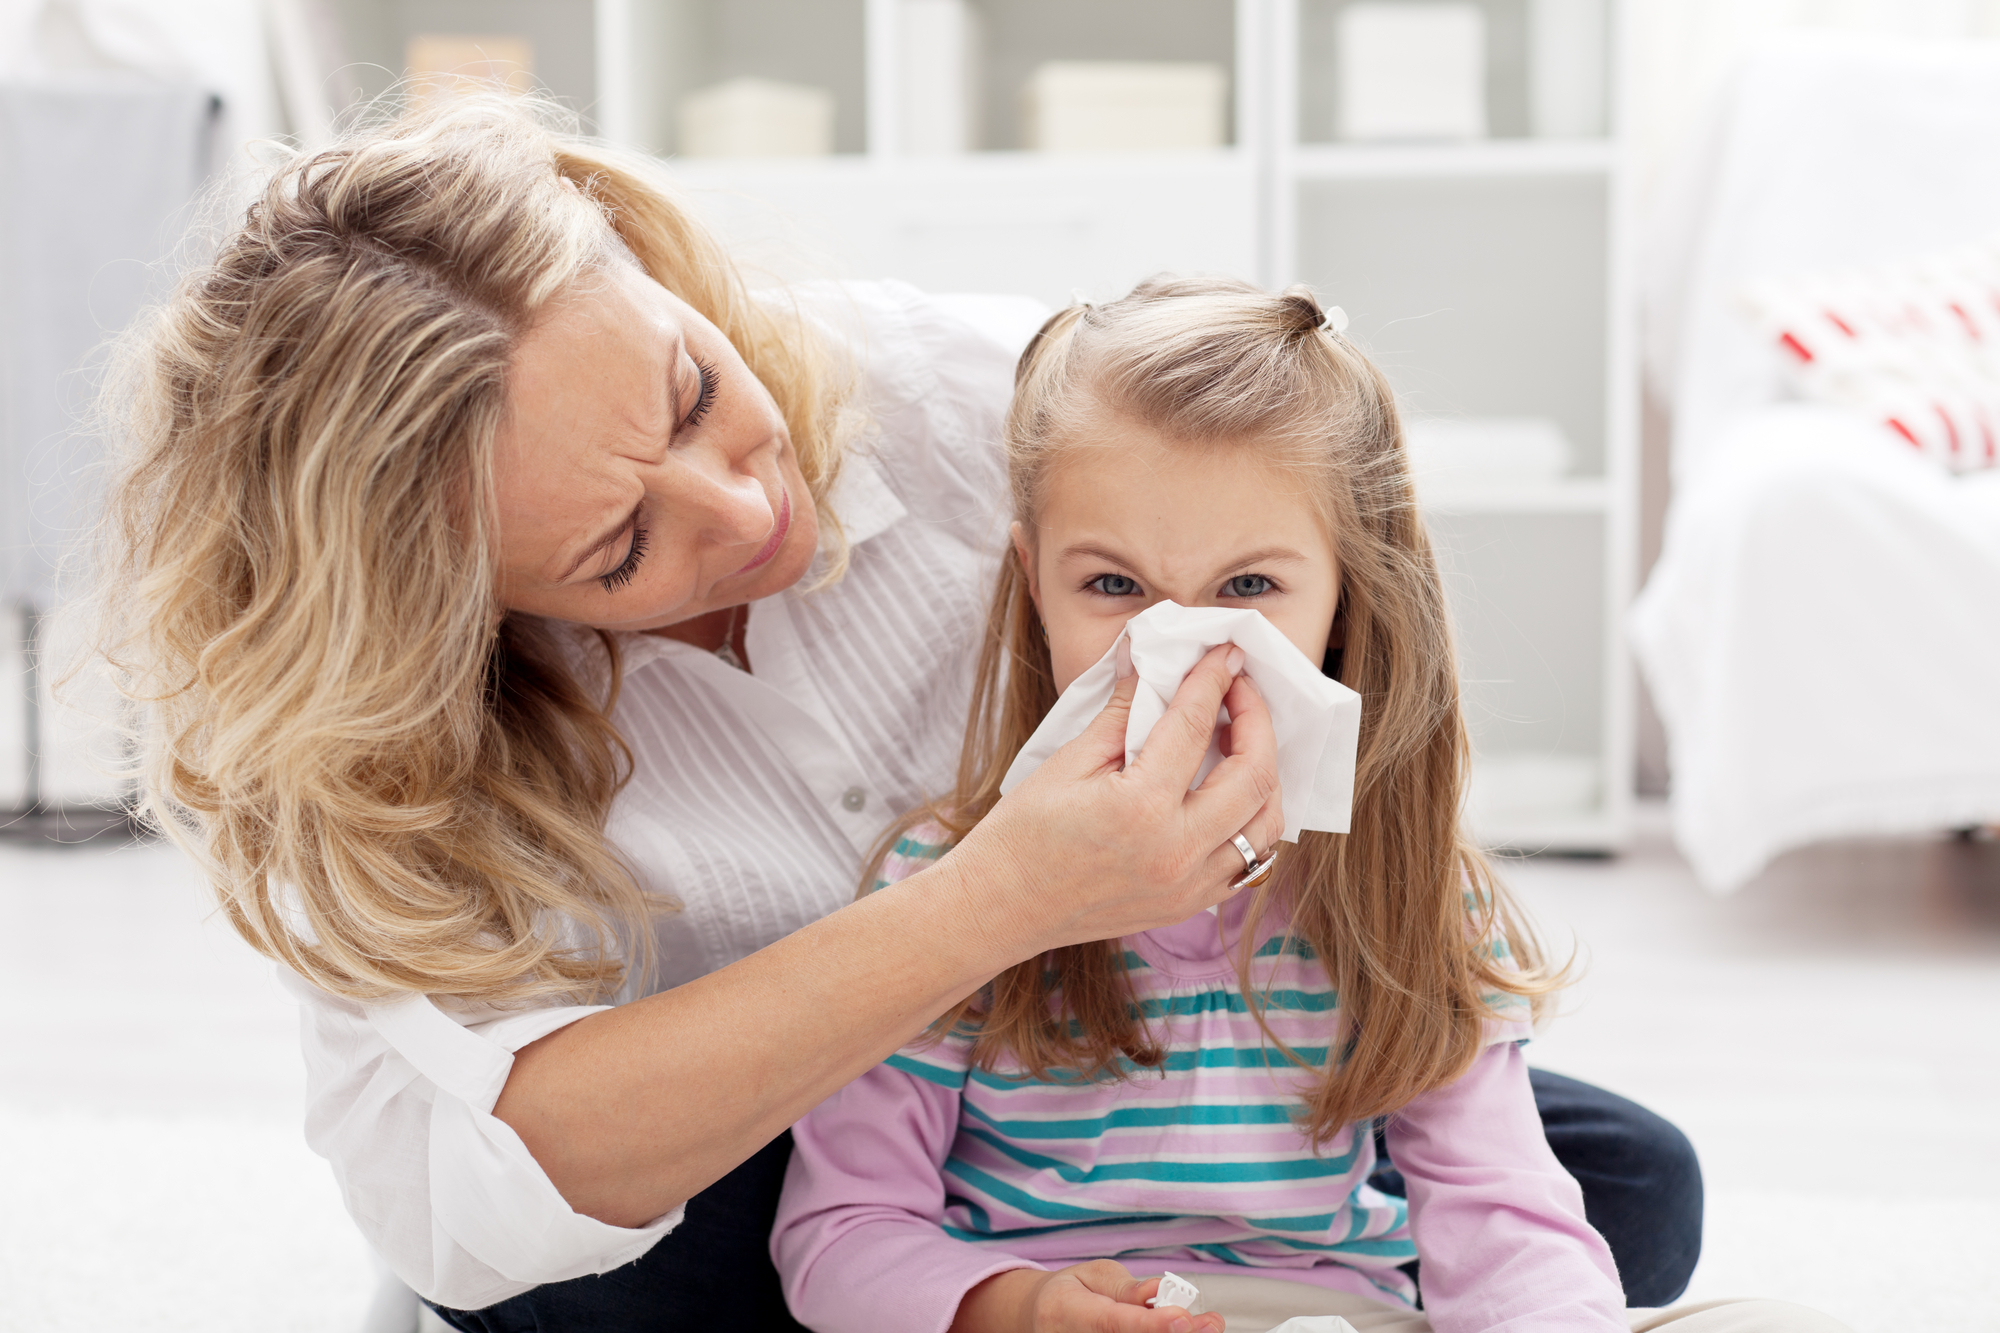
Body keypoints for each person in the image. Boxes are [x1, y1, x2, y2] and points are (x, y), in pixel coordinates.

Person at [85, 100, 1696, 1331]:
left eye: (698, 393)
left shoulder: (987, 408)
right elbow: (469, 1203)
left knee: (1626, 1185)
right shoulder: (370, 737)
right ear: (453, 603)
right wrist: (997, 900)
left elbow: (1301, 529)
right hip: (750, 1141)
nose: (742, 507)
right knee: (584, 1289)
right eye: (619, 548)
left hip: (1094, 1073)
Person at [771, 279, 1846, 1333]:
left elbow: (1502, 1216)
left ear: (1345, 597)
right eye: (1111, 585)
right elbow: (840, 1235)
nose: (1178, 646)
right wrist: (1020, 1306)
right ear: (1033, 578)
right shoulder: (938, 883)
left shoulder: (1402, 890)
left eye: (1247, 589)